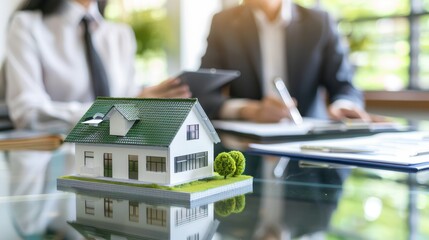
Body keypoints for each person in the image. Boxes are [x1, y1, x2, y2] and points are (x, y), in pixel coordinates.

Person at [5, 0, 190, 132]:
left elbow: (129, 100)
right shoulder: (27, 26)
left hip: (118, 153)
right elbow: (27, 112)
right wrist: (117, 110)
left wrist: (141, 100)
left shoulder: (120, 35)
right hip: (53, 163)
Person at [200, 0, 371, 123]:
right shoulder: (223, 24)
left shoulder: (320, 22)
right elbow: (203, 94)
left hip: (309, 138)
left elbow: (344, 85)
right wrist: (247, 110)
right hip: (245, 143)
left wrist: (343, 105)